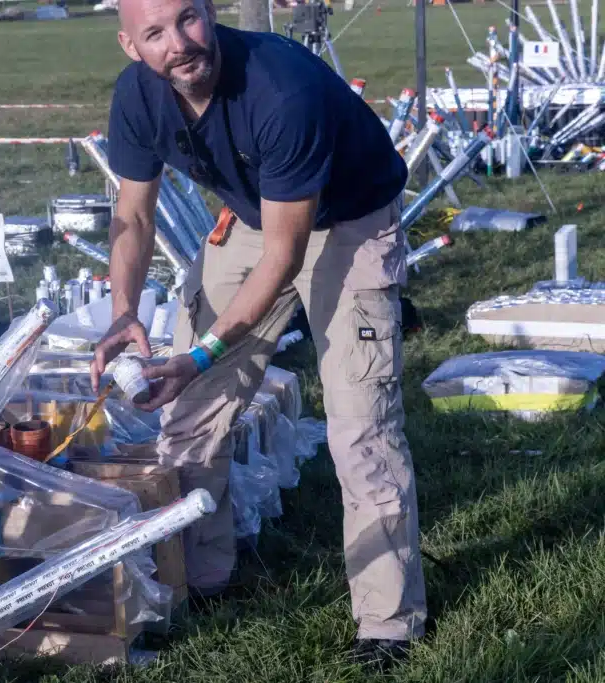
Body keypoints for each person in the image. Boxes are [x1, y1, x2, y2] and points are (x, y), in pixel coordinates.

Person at [87, 0, 427, 669]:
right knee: (188, 412)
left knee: (362, 429)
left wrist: (206, 350)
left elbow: (286, 254)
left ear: (210, 13)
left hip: (348, 220)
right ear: (131, 46)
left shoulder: (279, 86)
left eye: (188, 19)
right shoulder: (137, 96)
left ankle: (389, 623)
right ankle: (206, 577)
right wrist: (123, 311)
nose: (180, 43)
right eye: (155, 33)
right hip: (253, 218)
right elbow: (132, 209)